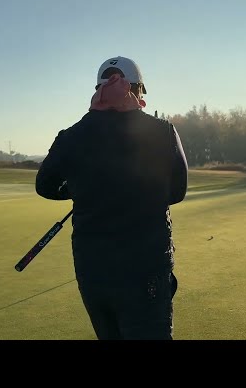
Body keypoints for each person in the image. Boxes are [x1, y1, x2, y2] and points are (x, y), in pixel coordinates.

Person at [35, 56, 189, 340]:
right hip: (145, 269)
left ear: (99, 91)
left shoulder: (71, 136)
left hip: (92, 269)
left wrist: (82, 189)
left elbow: (45, 186)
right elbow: (176, 192)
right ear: (136, 91)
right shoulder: (160, 131)